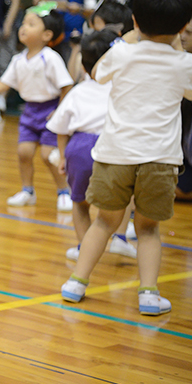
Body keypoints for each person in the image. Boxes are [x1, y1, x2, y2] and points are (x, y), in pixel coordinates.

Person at [61, 0, 192, 316]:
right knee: (148, 230)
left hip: (115, 154)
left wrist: (129, 37)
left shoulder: (122, 53)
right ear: (183, 26)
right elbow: (191, 92)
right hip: (160, 159)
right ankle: (149, 295)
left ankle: (76, 283)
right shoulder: (185, 62)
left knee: (103, 222)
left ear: (135, 21)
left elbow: (96, 74)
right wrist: (176, 44)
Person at [0, 6, 75, 210]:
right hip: (29, 111)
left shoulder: (50, 58)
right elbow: (4, 83)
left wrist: (59, 111)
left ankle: (64, 191)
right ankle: (27, 191)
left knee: (49, 156)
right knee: (24, 153)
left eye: (31, 24)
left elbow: (66, 86)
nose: (23, 28)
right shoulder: (18, 60)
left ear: (47, 35)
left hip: (50, 111)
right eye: (23, 23)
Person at [47, 29, 136, 260]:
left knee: (80, 203)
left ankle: (82, 249)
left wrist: (63, 157)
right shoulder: (124, 89)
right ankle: (120, 237)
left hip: (79, 149)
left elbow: (61, 128)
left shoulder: (78, 91)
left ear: (83, 66)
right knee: (124, 197)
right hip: (113, 147)